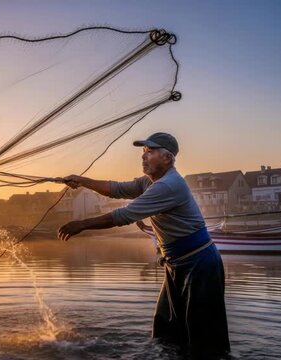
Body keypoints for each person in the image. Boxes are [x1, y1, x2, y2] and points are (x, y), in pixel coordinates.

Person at [57, 132, 230, 358]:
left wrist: (82, 224)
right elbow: (117, 189)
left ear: (167, 158)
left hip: (199, 265)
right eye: (143, 152)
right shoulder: (150, 182)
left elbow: (124, 215)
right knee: (165, 334)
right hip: (176, 264)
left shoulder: (168, 185)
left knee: (205, 342)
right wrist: (83, 181)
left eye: (150, 152)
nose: (143, 156)